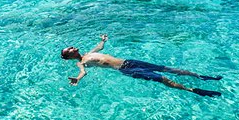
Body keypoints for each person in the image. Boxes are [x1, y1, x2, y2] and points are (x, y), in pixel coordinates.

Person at [61, 34, 222, 97]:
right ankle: (193, 90)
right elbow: (83, 72)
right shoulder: (81, 62)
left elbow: (100, 48)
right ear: (69, 56)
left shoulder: (89, 52)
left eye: (72, 46)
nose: (73, 47)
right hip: (127, 69)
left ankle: (199, 76)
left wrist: (103, 40)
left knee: (166, 68)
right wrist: (77, 79)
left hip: (130, 61)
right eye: (70, 49)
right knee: (162, 78)